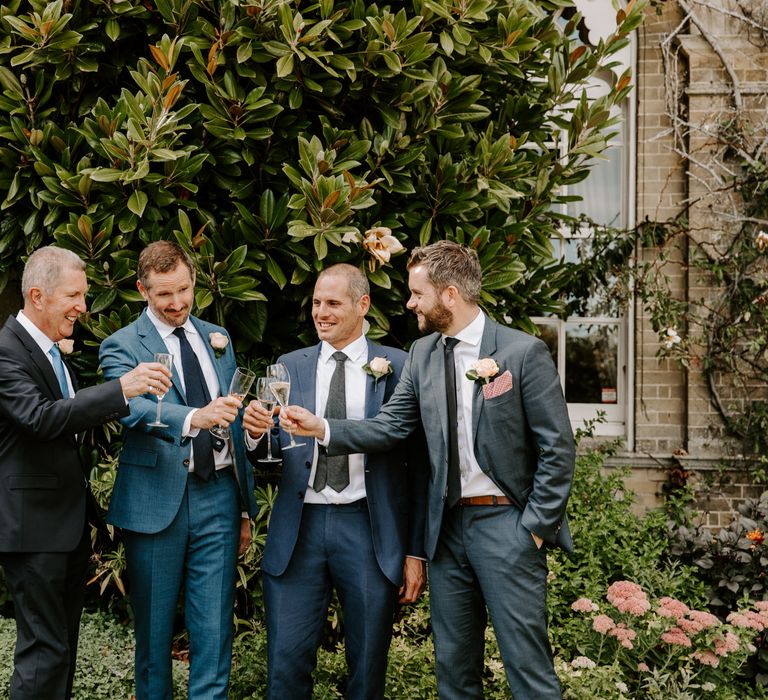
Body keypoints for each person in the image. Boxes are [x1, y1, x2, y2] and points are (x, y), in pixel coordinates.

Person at [282, 241, 575, 699]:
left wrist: (534, 528)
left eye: (418, 294)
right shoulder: (421, 354)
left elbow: (558, 449)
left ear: (450, 295)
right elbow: (389, 427)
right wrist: (322, 427)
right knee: (453, 672)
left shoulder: (522, 353)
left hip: (507, 526)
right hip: (447, 533)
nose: (410, 303)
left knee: (528, 669)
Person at [243, 263, 428, 700]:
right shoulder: (289, 366)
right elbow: (270, 449)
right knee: (285, 669)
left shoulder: (399, 366)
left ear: (362, 305)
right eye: (315, 303)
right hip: (299, 528)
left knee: (367, 671)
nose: (320, 313)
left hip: (369, 529)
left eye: (332, 303)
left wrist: (415, 550)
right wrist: (253, 433)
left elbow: (419, 466)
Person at [0, 246, 172, 700]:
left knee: (61, 652)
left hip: (62, 527)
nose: (83, 306)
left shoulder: (52, 351)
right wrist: (122, 387)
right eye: (73, 296)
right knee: (44, 653)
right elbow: (41, 419)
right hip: (32, 529)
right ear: (37, 296)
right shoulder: (5, 352)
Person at [99, 240, 258, 700]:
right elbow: (130, 408)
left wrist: (245, 508)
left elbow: (233, 412)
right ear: (141, 290)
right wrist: (193, 418)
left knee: (214, 631)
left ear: (195, 280)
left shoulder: (217, 336)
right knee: (153, 635)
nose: (177, 303)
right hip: (155, 502)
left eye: (184, 290)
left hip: (221, 497)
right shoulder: (123, 344)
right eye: (164, 294)